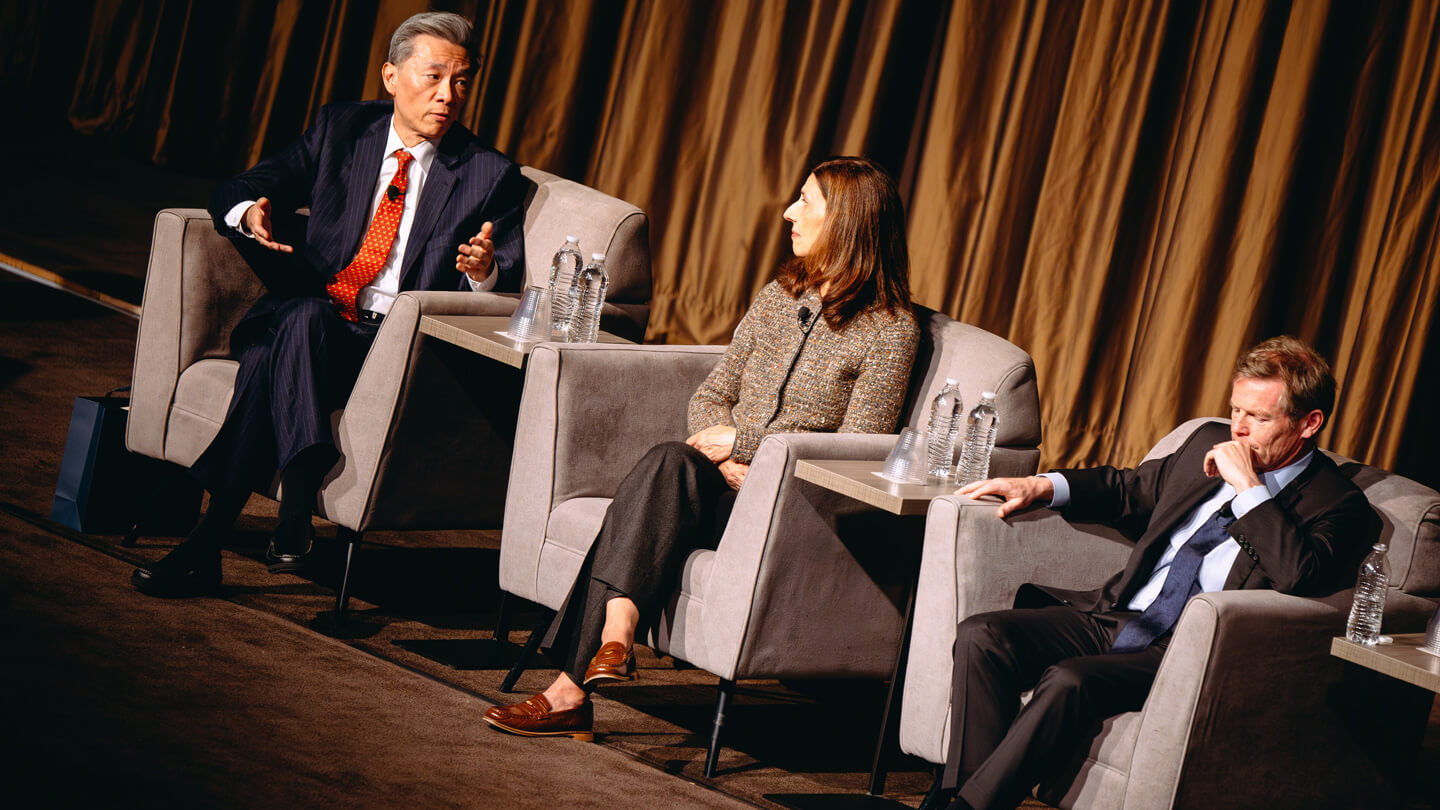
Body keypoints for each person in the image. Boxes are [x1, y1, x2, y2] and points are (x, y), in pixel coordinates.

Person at [482, 156, 921, 740]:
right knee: (669, 462)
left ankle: (582, 676)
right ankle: (611, 641)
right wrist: (725, 450)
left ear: (847, 221)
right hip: (718, 486)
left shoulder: (891, 329)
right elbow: (713, 394)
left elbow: (860, 446)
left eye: (806, 202)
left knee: (650, 488)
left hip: (787, 510)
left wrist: (750, 448)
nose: (789, 212)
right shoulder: (778, 295)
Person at [132, 11, 526, 597]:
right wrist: (251, 213)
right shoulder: (342, 130)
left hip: (393, 349)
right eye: (434, 76)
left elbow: (508, 284)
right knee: (301, 322)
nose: (448, 96)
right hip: (319, 326)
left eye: (462, 82)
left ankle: (212, 539)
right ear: (391, 76)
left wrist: (482, 271)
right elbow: (237, 187)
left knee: (282, 344)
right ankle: (279, 519)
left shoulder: (488, 174)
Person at [921, 336, 1380, 810]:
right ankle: (965, 799)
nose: (1238, 431)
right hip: (1119, 615)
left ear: (1310, 423)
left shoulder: (1339, 505)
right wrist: (1041, 484)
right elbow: (1129, 488)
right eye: (1235, 411)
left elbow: (1297, 576)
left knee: (1068, 679)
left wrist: (1248, 487)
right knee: (984, 635)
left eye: (1258, 418)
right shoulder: (1205, 441)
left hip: (1186, 650)